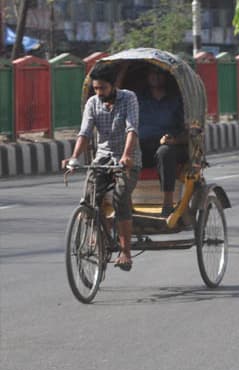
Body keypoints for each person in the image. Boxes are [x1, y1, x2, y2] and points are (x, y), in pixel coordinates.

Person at [61, 64, 141, 270]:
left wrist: (126, 155)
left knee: (120, 197)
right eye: (95, 89)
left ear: (113, 85)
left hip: (127, 159)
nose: (99, 93)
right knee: (90, 197)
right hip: (102, 158)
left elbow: (132, 129)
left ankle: (125, 251)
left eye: (102, 88)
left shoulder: (129, 98)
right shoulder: (93, 103)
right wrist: (74, 158)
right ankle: (101, 238)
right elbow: (85, 133)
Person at [138, 66, 187, 217]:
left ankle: (167, 203)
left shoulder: (177, 100)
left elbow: (191, 130)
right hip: (143, 146)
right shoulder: (138, 99)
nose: (156, 77)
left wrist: (174, 140)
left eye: (159, 74)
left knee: (164, 152)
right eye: (152, 73)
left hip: (171, 147)